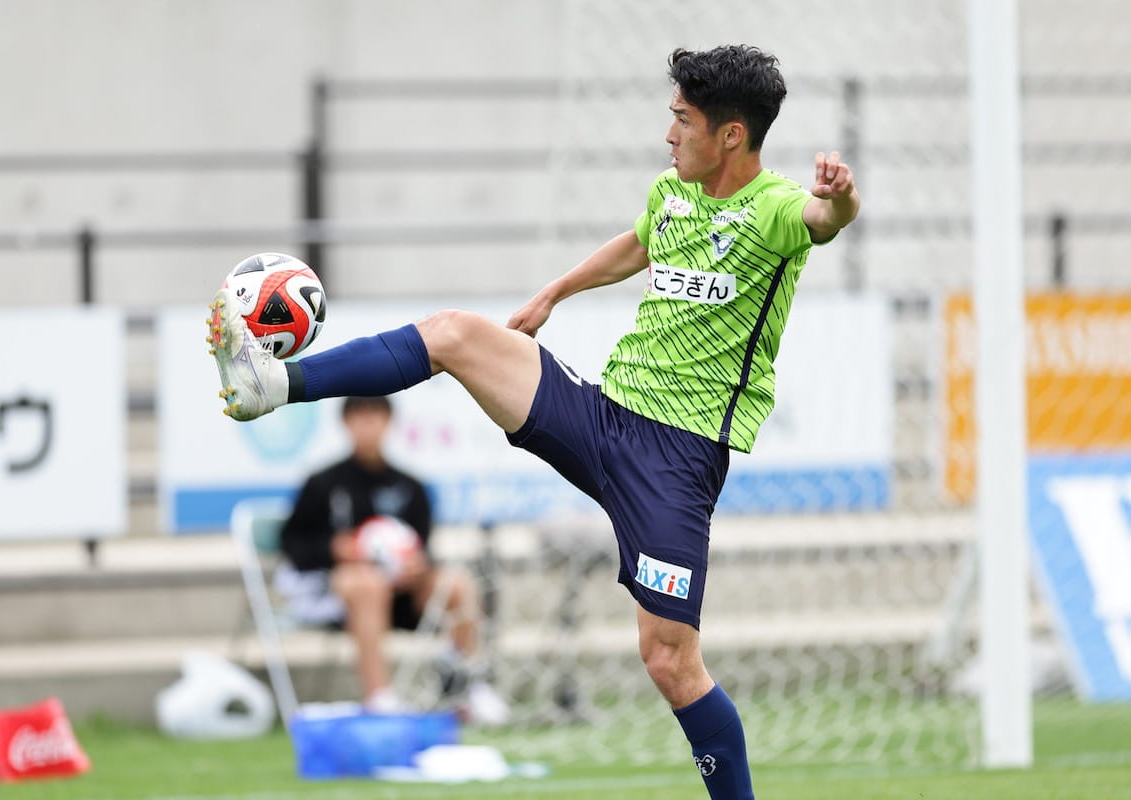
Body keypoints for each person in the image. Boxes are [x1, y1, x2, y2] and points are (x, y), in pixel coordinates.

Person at [208, 44, 858, 799]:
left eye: (683, 120)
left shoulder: (774, 208)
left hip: (675, 466)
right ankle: (275, 383)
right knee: (452, 333)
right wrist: (556, 291)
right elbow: (643, 242)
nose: (668, 134)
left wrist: (839, 197)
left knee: (670, 662)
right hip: (603, 414)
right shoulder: (673, 192)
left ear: (733, 136)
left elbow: (823, 219)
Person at [277, 394, 509, 725]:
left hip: (403, 593)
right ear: (346, 423)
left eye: (375, 416)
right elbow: (293, 543)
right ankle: (380, 698)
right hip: (342, 595)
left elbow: (424, 548)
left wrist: (417, 566)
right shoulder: (323, 483)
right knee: (368, 583)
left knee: (456, 583)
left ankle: (468, 687)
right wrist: (336, 548)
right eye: (359, 417)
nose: (368, 425)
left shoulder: (410, 486)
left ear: (389, 422)